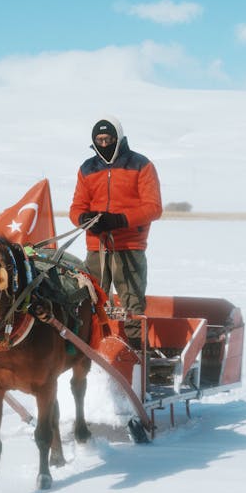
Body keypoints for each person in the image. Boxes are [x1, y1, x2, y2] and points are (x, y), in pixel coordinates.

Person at [69, 116, 162, 349]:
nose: (103, 144)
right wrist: (84, 220)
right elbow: (77, 207)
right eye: (99, 139)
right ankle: (90, 351)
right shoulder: (87, 169)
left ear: (118, 138)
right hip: (97, 248)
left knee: (132, 305)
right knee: (90, 301)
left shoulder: (141, 165)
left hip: (130, 246)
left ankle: (136, 355)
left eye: (108, 138)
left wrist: (120, 219)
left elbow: (153, 207)